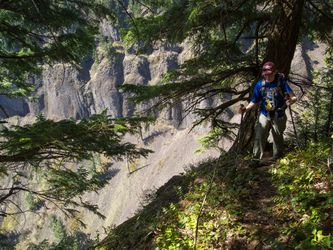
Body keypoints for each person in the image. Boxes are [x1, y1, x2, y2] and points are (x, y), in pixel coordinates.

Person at [240, 62, 297, 168]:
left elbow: (293, 97)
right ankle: (255, 160)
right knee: (260, 135)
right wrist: (246, 109)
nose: (267, 75)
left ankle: (277, 156)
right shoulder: (260, 85)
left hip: (278, 113)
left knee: (277, 135)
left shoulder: (281, 83)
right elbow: (254, 101)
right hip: (264, 114)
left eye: (269, 73)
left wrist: (290, 101)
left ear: (275, 72)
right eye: (265, 74)